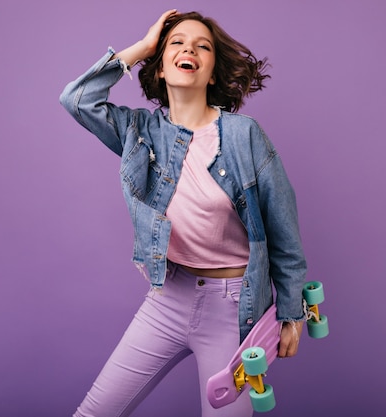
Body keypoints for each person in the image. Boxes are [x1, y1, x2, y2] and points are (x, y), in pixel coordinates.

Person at [60, 9, 308, 417]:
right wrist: (143, 46)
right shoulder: (138, 132)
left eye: (202, 46)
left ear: (211, 73)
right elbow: (76, 99)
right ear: (159, 68)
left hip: (233, 310)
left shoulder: (245, 135)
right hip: (167, 298)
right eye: (176, 42)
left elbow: (284, 228)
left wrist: (292, 312)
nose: (188, 48)